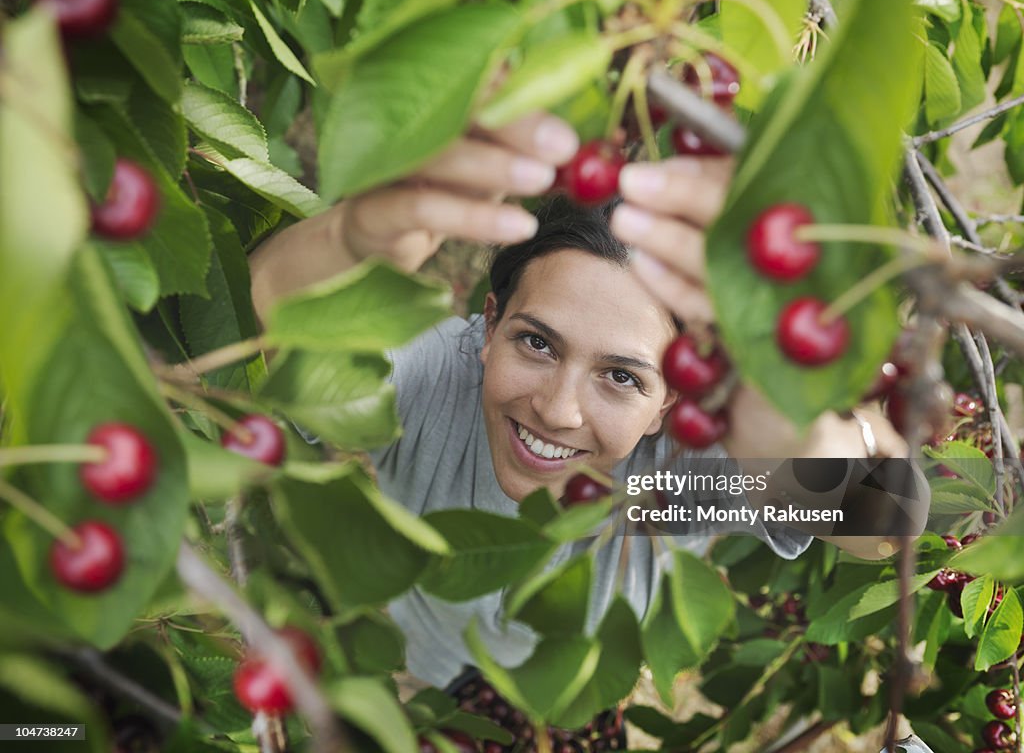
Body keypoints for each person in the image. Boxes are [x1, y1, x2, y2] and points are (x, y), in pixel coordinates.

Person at [249, 112, 912, 697]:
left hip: (566, 696)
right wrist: (348, 242)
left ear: (671, 400)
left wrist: (778, 406)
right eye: (537, 343)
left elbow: (884, 522)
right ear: (487, 327)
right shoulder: (436, 382)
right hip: (421, 655)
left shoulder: (672, 476)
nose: (558, 410)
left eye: (622, 377)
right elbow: (273, 321)